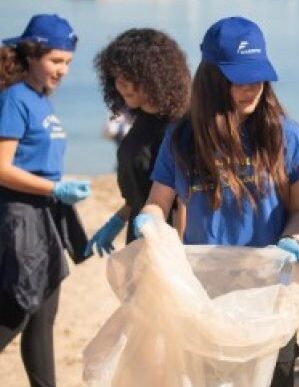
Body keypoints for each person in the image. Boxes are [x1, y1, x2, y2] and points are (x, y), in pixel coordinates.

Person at [133, 17, 299, 386]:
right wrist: (150, 220)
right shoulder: (182, 137)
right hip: (204, 294)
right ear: (211, 78)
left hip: (269, 294)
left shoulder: (285, 135)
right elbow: (158, 201)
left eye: (258, 74)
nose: (252, 86)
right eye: (239, 77)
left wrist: (293, 241)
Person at [0, 14, 91, 387]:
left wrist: (58, 190)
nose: (63, 70)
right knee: (18, 309)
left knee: (43, 317)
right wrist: (53, 189)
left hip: (47, 215)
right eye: (56, 61)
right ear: (31, 55)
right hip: (21, 216)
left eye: (68, 62)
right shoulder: (14, 99)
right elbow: (2, 167)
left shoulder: (40, 100)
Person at [86, 28, 191, 256]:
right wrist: (118, 220)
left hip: (167, 246)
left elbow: (184, 203)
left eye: (129, 77)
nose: (120, 85)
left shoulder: (180, 126)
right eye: (116, 77)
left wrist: (183, 258)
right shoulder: (142, 119)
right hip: (139, 242)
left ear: (154, 76)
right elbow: (141, 190)